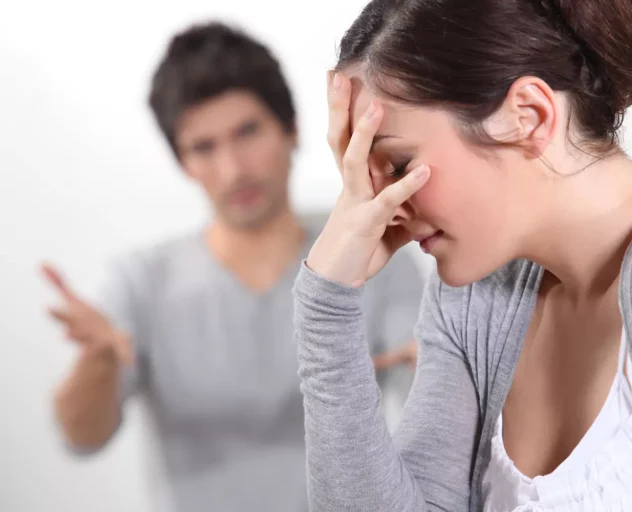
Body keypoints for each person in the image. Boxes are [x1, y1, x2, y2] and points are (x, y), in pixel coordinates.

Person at [293, 1, 632, 511]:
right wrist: (325, 307)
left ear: (530, 116)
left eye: (397, 162)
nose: (377, 206)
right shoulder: (475, 301)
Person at [46, 21, 424, 512]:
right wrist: (98, 363)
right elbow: (80, 439)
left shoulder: (374, 255)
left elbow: (428, 413)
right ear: (182, 162)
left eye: (247, 132)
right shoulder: (140, 281)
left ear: (291, 130)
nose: (233, 169)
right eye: (203, 147)